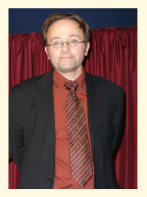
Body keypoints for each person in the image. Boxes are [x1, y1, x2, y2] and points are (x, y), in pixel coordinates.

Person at [9, 13, 125, 189]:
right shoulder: (21, 95)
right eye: (56, 42)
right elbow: (17, 150)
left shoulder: (113, 93)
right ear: (47, 51)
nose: (65, 48)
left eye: (73, 41)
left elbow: (109, 146)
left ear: (86, 48)